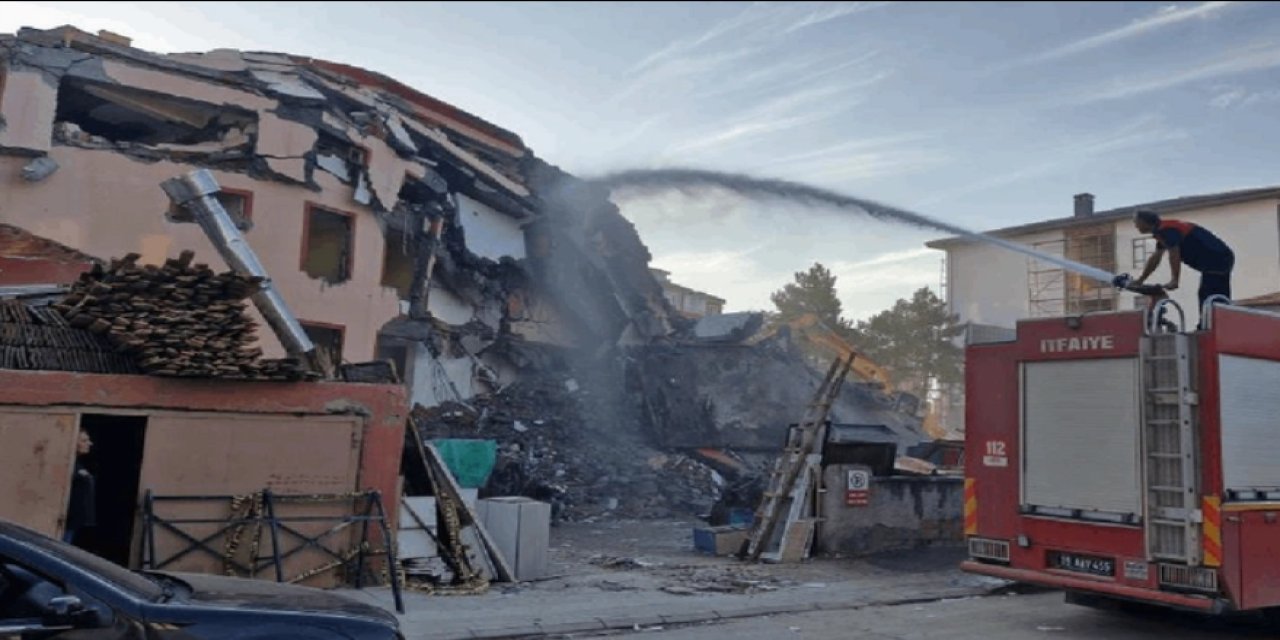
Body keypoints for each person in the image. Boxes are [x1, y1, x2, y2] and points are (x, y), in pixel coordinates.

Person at [1132, 210, 1235, 312]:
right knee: (1215, 294)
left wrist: (1174, 280)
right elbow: (1155, 258)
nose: (1136, 226)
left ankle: (1213, 320)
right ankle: (1218, 318)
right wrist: (1140, 280)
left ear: (1143, 221)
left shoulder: (1167, 230)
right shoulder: (1162, 231)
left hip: (1217, 258)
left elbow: (1174, 253)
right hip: (1220, 258)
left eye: (1136, 222)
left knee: (1209, 295)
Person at [63, 430, 95, 546]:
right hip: (67, 523)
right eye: (84, 441)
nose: (90, 443)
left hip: (74, 523)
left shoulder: (77, 464)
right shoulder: (69, 465)